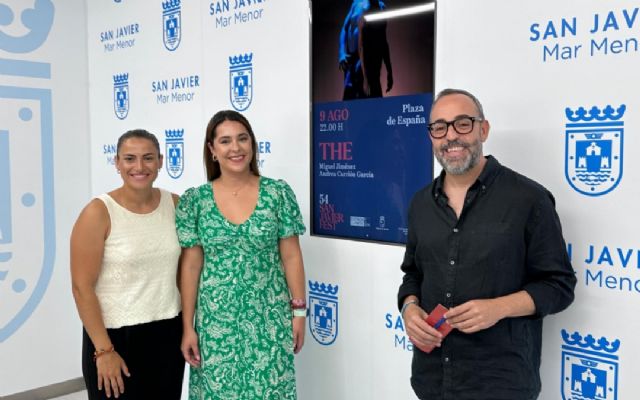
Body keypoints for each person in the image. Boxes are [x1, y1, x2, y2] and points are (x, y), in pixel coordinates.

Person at [397, 89, 576, 400]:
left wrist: (499, 308)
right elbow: (412, 274)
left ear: (483, 129)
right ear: (431, 137)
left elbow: (559, 286)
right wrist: (409, 308)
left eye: (462, 123)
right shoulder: (420, 203)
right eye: (439, 127)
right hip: (433, 379)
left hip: (500, 383)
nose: (450, 136)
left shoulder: (528, 199)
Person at [177, 110, 306, 399]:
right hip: (215, 326)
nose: (235, 148)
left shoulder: (277, 194)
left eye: (242, 138)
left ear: (252, 144)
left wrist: (299, 313)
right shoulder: (195, 201)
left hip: (270, 320)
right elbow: (191, 267)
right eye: (225, 141)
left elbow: (292, 257)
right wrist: (189, 326)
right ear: (212, 150)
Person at [70, 129, 184, 399]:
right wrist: (104, 351)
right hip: (115, 339)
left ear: (160, 161)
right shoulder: (98, 212)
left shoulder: (175, 204)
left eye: (148, 158)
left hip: (167, 334)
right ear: (117, 163)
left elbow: (184, 272)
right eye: (130, 159)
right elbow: (81, 287)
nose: (139, 167)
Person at [339, 0, 393, 100]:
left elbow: (383, 40)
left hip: (369, 61)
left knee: (371, 96)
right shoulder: (356, 4)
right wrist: (341, 53)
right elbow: (344, 28)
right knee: (350, 95)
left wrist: (389, 71)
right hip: (352, 59)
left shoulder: (381, 8)